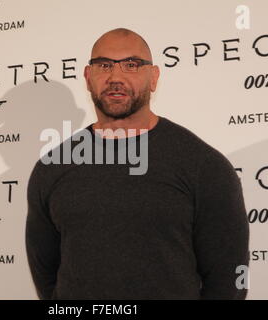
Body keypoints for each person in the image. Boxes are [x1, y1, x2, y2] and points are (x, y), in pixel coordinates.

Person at [25, 28, 250, 299]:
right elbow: (47, 276)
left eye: (132, 65)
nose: (115, 77)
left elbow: (228, 279)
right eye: (104, 65)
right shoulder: (52, 168)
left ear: (153, 77)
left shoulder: (203, 166)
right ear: (87, 77)